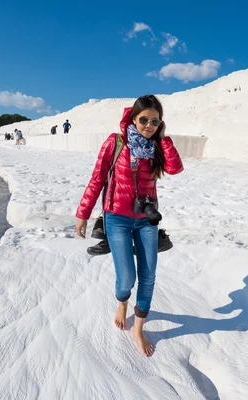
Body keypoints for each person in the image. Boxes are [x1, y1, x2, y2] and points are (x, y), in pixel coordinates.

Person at [75, 94, 183, 357]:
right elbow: (97, 178)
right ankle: (122, 303)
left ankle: (139, 328)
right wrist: (83, 213)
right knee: (127, 278)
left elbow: (175, 168)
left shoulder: (156, 144)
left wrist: (163, 139)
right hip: (117, 218)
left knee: (148, 277)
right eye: (144, 119)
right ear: (133, 117)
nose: (148, 125)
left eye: (155, 121)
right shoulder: (116, 142)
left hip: (146, 219)